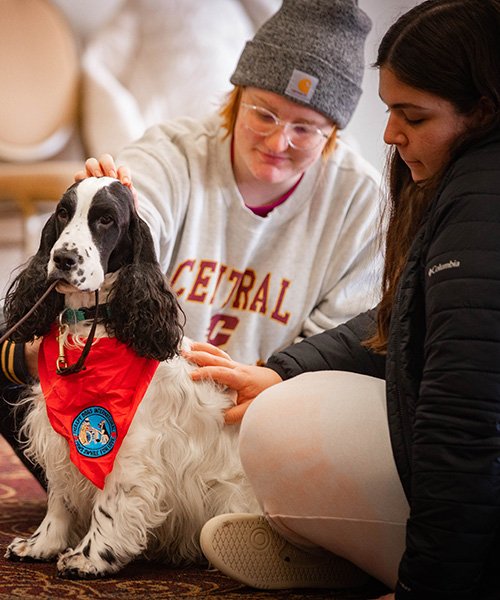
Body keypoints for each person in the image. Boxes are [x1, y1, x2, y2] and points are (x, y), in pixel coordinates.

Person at [185, 1, 500, 598]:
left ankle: (362, 551)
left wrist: (431, 586)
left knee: (278, 426)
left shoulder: (477, 202)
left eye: (411, 115)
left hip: (470, 521)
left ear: (482, 111)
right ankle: (344, 543)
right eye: (264, 114)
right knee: (284, 400)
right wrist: (281, 371)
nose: (389, 133)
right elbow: (400, 324)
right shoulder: (453, 178)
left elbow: (465, 420)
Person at [1, 2, 380, 482]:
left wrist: (272, 381)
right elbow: (144, 206)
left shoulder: (360, 199)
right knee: (10, 351)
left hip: (256, 412)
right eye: (264, 114)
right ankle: (99, 496)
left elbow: (342, 341)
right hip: (143, 393)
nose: (278, 142)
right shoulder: (175, 149)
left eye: (305, 129)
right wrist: (112, 212)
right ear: (236, 97)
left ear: (332, 136)